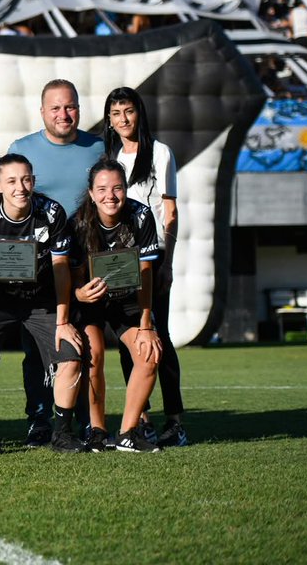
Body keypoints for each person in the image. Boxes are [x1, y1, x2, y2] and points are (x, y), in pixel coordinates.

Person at [0, 154, 85, 454]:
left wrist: (63, 321)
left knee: (71, 356)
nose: (20, 187)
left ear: (33, 181)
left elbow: (61, 269)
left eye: (26, 179)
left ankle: (62, 433)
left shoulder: (51, 213)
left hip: (41, 300)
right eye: (11, 181)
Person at [8, 79, 102, 446]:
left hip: (88, 267)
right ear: (42, 112)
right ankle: (39, 419)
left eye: (70, 106)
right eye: (56, 108)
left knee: (84, 346)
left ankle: (86, 420)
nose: (64, 114)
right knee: (36, 351)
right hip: (40, 270)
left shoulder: (98, 147)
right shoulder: (22, 149)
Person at [102, 86, 187, 447]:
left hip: (153, 259)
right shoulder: (110, 157)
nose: (123, 119)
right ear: (109, 120)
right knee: (129, 342)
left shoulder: (160, 152)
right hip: (119, 261)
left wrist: (167, 262)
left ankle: (176, 422)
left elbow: (170, 210)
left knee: (158, 337)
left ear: (140, 113)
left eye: (129, 111)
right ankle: (142, 420)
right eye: (116, 113)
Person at [69, 160, 164, 453]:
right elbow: (72, 276)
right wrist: (79, 293)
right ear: (91, 193)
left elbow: (146, 274)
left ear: (125, 189)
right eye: (102, 189)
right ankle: (97, 431)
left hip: (128, 301)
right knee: (93, 354)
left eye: (117, 188)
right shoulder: (78, 223)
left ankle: (128, 432)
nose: (110, 196)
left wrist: (146, 325)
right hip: (91, 303)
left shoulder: (141, 216)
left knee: (150, 354)